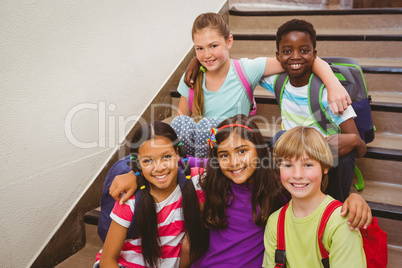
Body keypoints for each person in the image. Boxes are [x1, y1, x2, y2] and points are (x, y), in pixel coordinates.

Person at [108, 115, 371, 267]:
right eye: (224, 155)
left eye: (242, 151)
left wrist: (354, 198)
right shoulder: (207, 182)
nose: (234, 163)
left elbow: (311, 193)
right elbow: (175, 164)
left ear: (259, 151)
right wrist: (135, 173)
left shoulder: (277, 186)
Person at [171, 12, 351, 159]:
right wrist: (195, 61)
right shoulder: (192, 78)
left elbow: (298, 60)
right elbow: (180, 124)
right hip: (201, 149)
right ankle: (193, 172)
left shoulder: (247, 69)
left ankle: (206, 176)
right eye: (199, 48)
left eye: (213, 46)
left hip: (235, 144)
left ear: (229, 42)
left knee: (207, 125)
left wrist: (333, 84)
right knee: (181, 123)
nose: (207, 54)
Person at [260, 19, 367, 202]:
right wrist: (199, 64)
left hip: (323, 157)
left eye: (304, 50)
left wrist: (354, 141)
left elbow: (361, 149)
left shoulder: (330, 95)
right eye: (287, 51)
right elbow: (236, 69)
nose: (295, 56)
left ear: (314, 54)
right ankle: (284, 199)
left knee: (345, 149)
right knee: (279, 138)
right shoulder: (278, 82)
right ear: (278, 56)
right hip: (295, 155)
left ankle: (335, 204)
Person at [94, 121, 208, 268]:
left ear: (177, 154)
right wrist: (134, 174)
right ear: (138, 164)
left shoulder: (195, 182)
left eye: (166, 156)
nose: (159, 168)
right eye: (148, 160)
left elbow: (226, 166)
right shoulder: (130, 200)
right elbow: (107, 260)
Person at [263, 126, 366, 268]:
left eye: (308, 164)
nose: (297, 174)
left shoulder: (340, 222)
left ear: (325, 167)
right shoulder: (275, 222)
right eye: (287, 165)